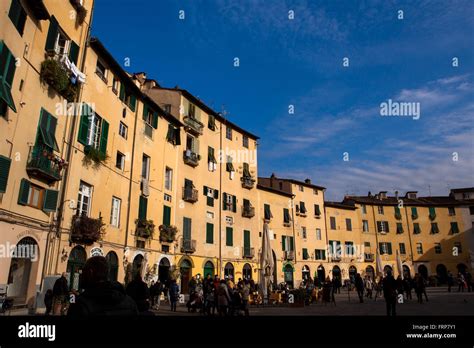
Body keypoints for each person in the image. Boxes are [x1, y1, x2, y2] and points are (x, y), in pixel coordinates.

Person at [67, 256, 138, 316]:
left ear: (90, 273)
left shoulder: (80, 305)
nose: (81, 275)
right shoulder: (130, 303)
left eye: (83, 271)